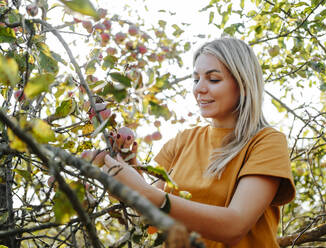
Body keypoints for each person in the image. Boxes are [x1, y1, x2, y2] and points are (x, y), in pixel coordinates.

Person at [103, 37, 295, 247]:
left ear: (243, 83)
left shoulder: (266, 142)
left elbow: (234, 226)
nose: (199, 89)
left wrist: (143, 191)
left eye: (213, 79)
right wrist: (126, 175)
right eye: (196, 79)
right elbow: (151, 223)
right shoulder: (183, 140)